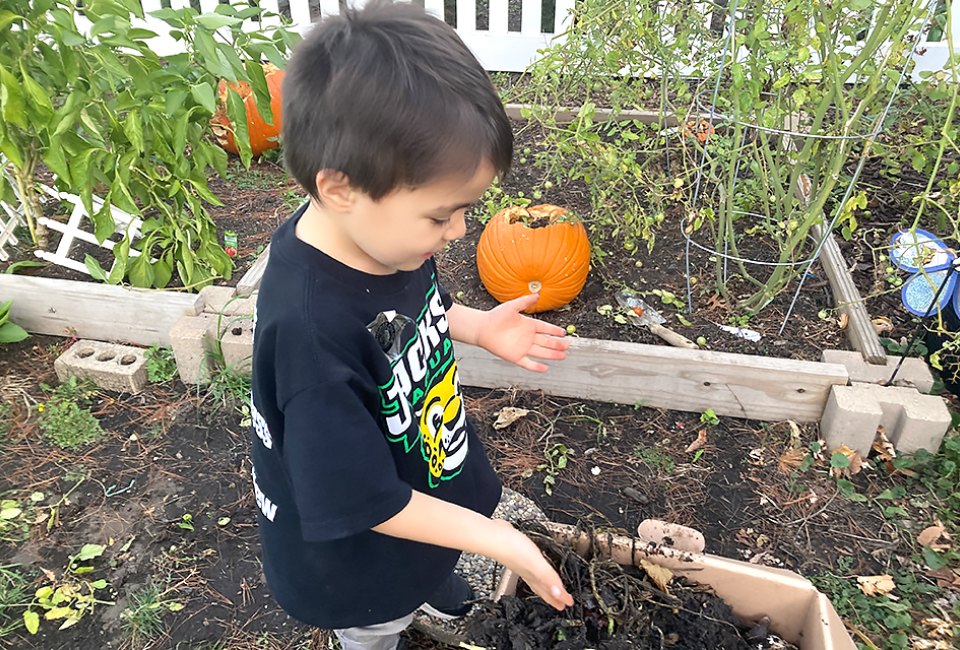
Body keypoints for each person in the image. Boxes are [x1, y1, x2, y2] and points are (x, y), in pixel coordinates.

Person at [248, 2, 574, 648]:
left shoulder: (378, 239)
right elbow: (366, 498)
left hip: (415, 468)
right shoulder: (309, 335)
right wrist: (501, 538)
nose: (457, 232)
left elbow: (399, 315)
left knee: (431, 550)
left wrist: (478, 328)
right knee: (377, 618)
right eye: (441, 216)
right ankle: (384, 626)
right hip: (358, 552)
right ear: (340, 188)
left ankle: (428, 576)